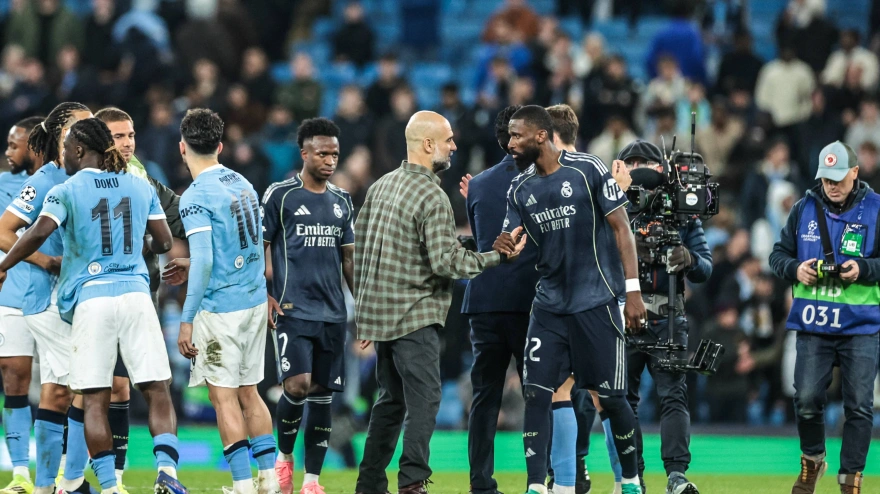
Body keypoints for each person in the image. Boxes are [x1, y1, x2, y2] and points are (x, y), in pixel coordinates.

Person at [0, 117, 188, 494]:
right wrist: (140, 248)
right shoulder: (139, 185)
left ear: (79, 150)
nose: (63, 155)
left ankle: (109, 487)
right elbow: (165, 242)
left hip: (91, 300)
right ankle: (167, 471)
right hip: (136, 296)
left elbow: (36, 233)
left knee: (95, 399)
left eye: (66, 149)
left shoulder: (66, 190)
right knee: (157, 389)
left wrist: (4, 265)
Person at [353, 111, 526, 494]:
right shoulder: (431, 193)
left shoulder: (380, 186)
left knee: (390, 402)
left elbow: (362, 252)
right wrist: (496, 256)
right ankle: (413, 482)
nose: (454, 146)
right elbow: (446, 263)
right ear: (428, 144)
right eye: (448, 140)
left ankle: (369, 484)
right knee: (426, 398)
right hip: (415, 315)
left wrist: (364, 316)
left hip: (382, 319)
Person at [497, 105, 646, 494]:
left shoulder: (588, 168)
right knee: (537, 393)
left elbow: (622, 229)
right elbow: (509, 238)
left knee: (611, 398)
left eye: (517, 135)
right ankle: (538, 486)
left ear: (541, 136)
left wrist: (633, 292)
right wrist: (505, 246)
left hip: (596, 302)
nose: (510, 143)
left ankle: (630, 481)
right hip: (549, 307)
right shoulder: (519, 188)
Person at [171, 109, 279, 494]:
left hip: (222, 310)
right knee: (250, 392)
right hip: (252, 301)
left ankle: (243, 486)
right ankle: (269, 480)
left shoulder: (195, 196)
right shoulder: (242, 182)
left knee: (223, 397)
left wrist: (187, 319)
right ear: (219, 146)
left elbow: (204, 260)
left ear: (182, 148)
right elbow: (251, 245)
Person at [769, 141, 880, 494]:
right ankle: (813, 460)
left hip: (860, 325)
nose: (831, 185)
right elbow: (777, 255)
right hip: (814, 322)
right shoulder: (803, 208)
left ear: (855, 172)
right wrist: (795, 268)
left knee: (859, 406)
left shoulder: (877, 209)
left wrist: (863, 269)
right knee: (805, 399)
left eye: (838, 178)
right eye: (826, 179)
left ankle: (850, 480)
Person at [0, 102, 92, 494]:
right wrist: (47, 262)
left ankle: (56, 483)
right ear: (59, 135)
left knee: (67, 390)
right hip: (45, 297)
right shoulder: (46, 178)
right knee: (78, 387)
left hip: (83, 298)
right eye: (79, 127)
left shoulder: (98, 175)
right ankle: (57, 480)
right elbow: (4, 230)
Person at [95, 106, 186, 494]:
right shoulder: (80, 179)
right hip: (96, 299)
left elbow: (180, 217)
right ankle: (92, 477)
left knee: (145, 384)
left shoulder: (141, 177)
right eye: (118, 136)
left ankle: (159, 473)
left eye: (131, 134)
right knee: (100, 390)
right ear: (100, 140)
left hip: (140, 295)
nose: (128, 142)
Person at [261, 118, 354, 494]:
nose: (330, 160)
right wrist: (262, 293)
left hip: (333, 313)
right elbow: (259, 247)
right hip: (292, 310)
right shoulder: (280, 195)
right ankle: (284, 457)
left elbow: (349, 259)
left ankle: (312, 481)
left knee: (322, 394)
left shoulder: (342, 201)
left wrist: (362, 306)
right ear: (304, 153)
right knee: (297, 386)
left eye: (335, 154)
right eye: (322, 153)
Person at [616, 140, 712, 494]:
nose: (638, 168)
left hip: (668, 316)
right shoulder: (612, 206)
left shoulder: (681, 210)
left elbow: (705, 268)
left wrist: (689, 257)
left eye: (644, 162)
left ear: (662, 168)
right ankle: (633, 477)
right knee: (622, 400)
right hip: (623, 314)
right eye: (631, 162)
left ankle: (676, 476)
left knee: (673, 396)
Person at [457, 105, 539, 494]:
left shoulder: (478, 184)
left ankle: (480, 484)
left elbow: (481, 240)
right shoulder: (545, 178)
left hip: (485, 301)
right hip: (529, 302)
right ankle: (542, 480)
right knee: (539, 394)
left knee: (485, 397)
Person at [0, 116, 43, 494]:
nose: (8, 152)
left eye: (15, 145)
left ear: (34, 147)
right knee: (14, 378)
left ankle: (59, 474)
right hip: (13, 295)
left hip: (56, 296)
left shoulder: (59, 182)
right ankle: (20, 475)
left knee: (63, 388)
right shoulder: (2, 185)